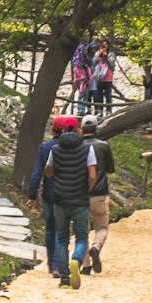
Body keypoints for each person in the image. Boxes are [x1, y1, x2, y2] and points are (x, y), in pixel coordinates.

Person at [43, 117, 96, 287]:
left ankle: (64, 278)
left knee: (62, 239)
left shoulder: (55, 149)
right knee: (81, 237)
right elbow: (93, 175)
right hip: (80, 200)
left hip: (60, 199)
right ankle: (76, 260)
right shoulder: (88, 149)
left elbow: (48, 171)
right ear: (78, 129)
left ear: (63, 130)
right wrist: (87, 190)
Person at [28, 116, 67, 276]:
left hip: (49, 194)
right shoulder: (71, 147)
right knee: (61, 230)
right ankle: (58, 266)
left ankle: (51, 263)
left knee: (50, 229)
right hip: (65, 193)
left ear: (52, 128)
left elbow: (37, 173)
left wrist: (32, 195)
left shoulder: (45, 147)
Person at [79, 113, 115, 273]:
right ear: (96, 128)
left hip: (80, 193)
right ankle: (96, 247)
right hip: (100, 192)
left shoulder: (76, 147)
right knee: (101, 226)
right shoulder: (104, 145)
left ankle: (85, 266)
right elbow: (111, 169)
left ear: (81, 129)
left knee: (82, 231)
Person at [91, 38, 116, 116]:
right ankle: (100, 111)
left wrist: (106, 57)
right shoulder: (97, 53)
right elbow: (94, 63)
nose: (105, 46)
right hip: (99, 78)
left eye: (106, 44)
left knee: (108, 95)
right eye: (103, 44)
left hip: (108, 78)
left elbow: (112, 66)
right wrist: (99, 54)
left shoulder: (111, 54)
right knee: (99, 96)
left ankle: (108, 111)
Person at [72, 40, 94, 117]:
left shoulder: (87, 60)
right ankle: (79, 110)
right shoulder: (77, 63)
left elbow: (89, 67)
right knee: (81, 94)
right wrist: (83, 79)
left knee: (86, 95)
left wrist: (88, 79)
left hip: (87, 80)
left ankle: (83, 109)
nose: (84, 52)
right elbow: (77, 72)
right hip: (81, 81)